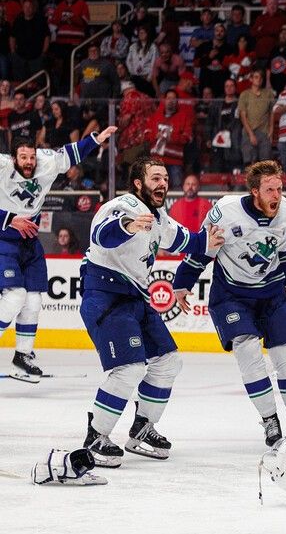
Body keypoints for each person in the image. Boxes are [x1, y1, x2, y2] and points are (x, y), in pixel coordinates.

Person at [80, 156, 223, 466]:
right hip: (106, 296)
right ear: (138, 183)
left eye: (164, 177)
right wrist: (127, 225)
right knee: (129, 369)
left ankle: (142, 429)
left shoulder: (159, 217)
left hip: (135, 299)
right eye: (155, 178)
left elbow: (187, 240)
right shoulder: (122, 207)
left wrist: (212, 240)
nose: (163, 183)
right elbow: (102, 235)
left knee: (169, 362)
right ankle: (95, 437)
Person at [173, 160, 286, 447]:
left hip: (271, 293)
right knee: (248, 352)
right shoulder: (225, 212)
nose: (277, 195)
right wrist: (182, 282)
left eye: (280, 188)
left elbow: (283, 253)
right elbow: (204, 248)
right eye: (270, 189)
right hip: (232, 295)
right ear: (254, 192)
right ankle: (269, 420)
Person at [0, 126, 116, 382]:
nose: (29, 162)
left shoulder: (46, 163)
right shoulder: (1, 167)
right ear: (13, 157)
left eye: (31, 157)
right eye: (23, 157)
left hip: (29, 242)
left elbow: (72, 153)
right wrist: (8, 219)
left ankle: (22, 357)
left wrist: (96, 139)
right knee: (14, 297)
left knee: (33, 300)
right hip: (2, 240)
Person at [238, 69, 275, 165]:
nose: (259, 80)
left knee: (265, 162)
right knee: (250, 162)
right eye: (256, 77)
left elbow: (272, 112)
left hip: (264, 131)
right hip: (248, 131)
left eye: (261, 77)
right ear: (251, 79)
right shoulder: (244, 94)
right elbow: (243, 116)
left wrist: (271, 130)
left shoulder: (268, 93)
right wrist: (250, 134)